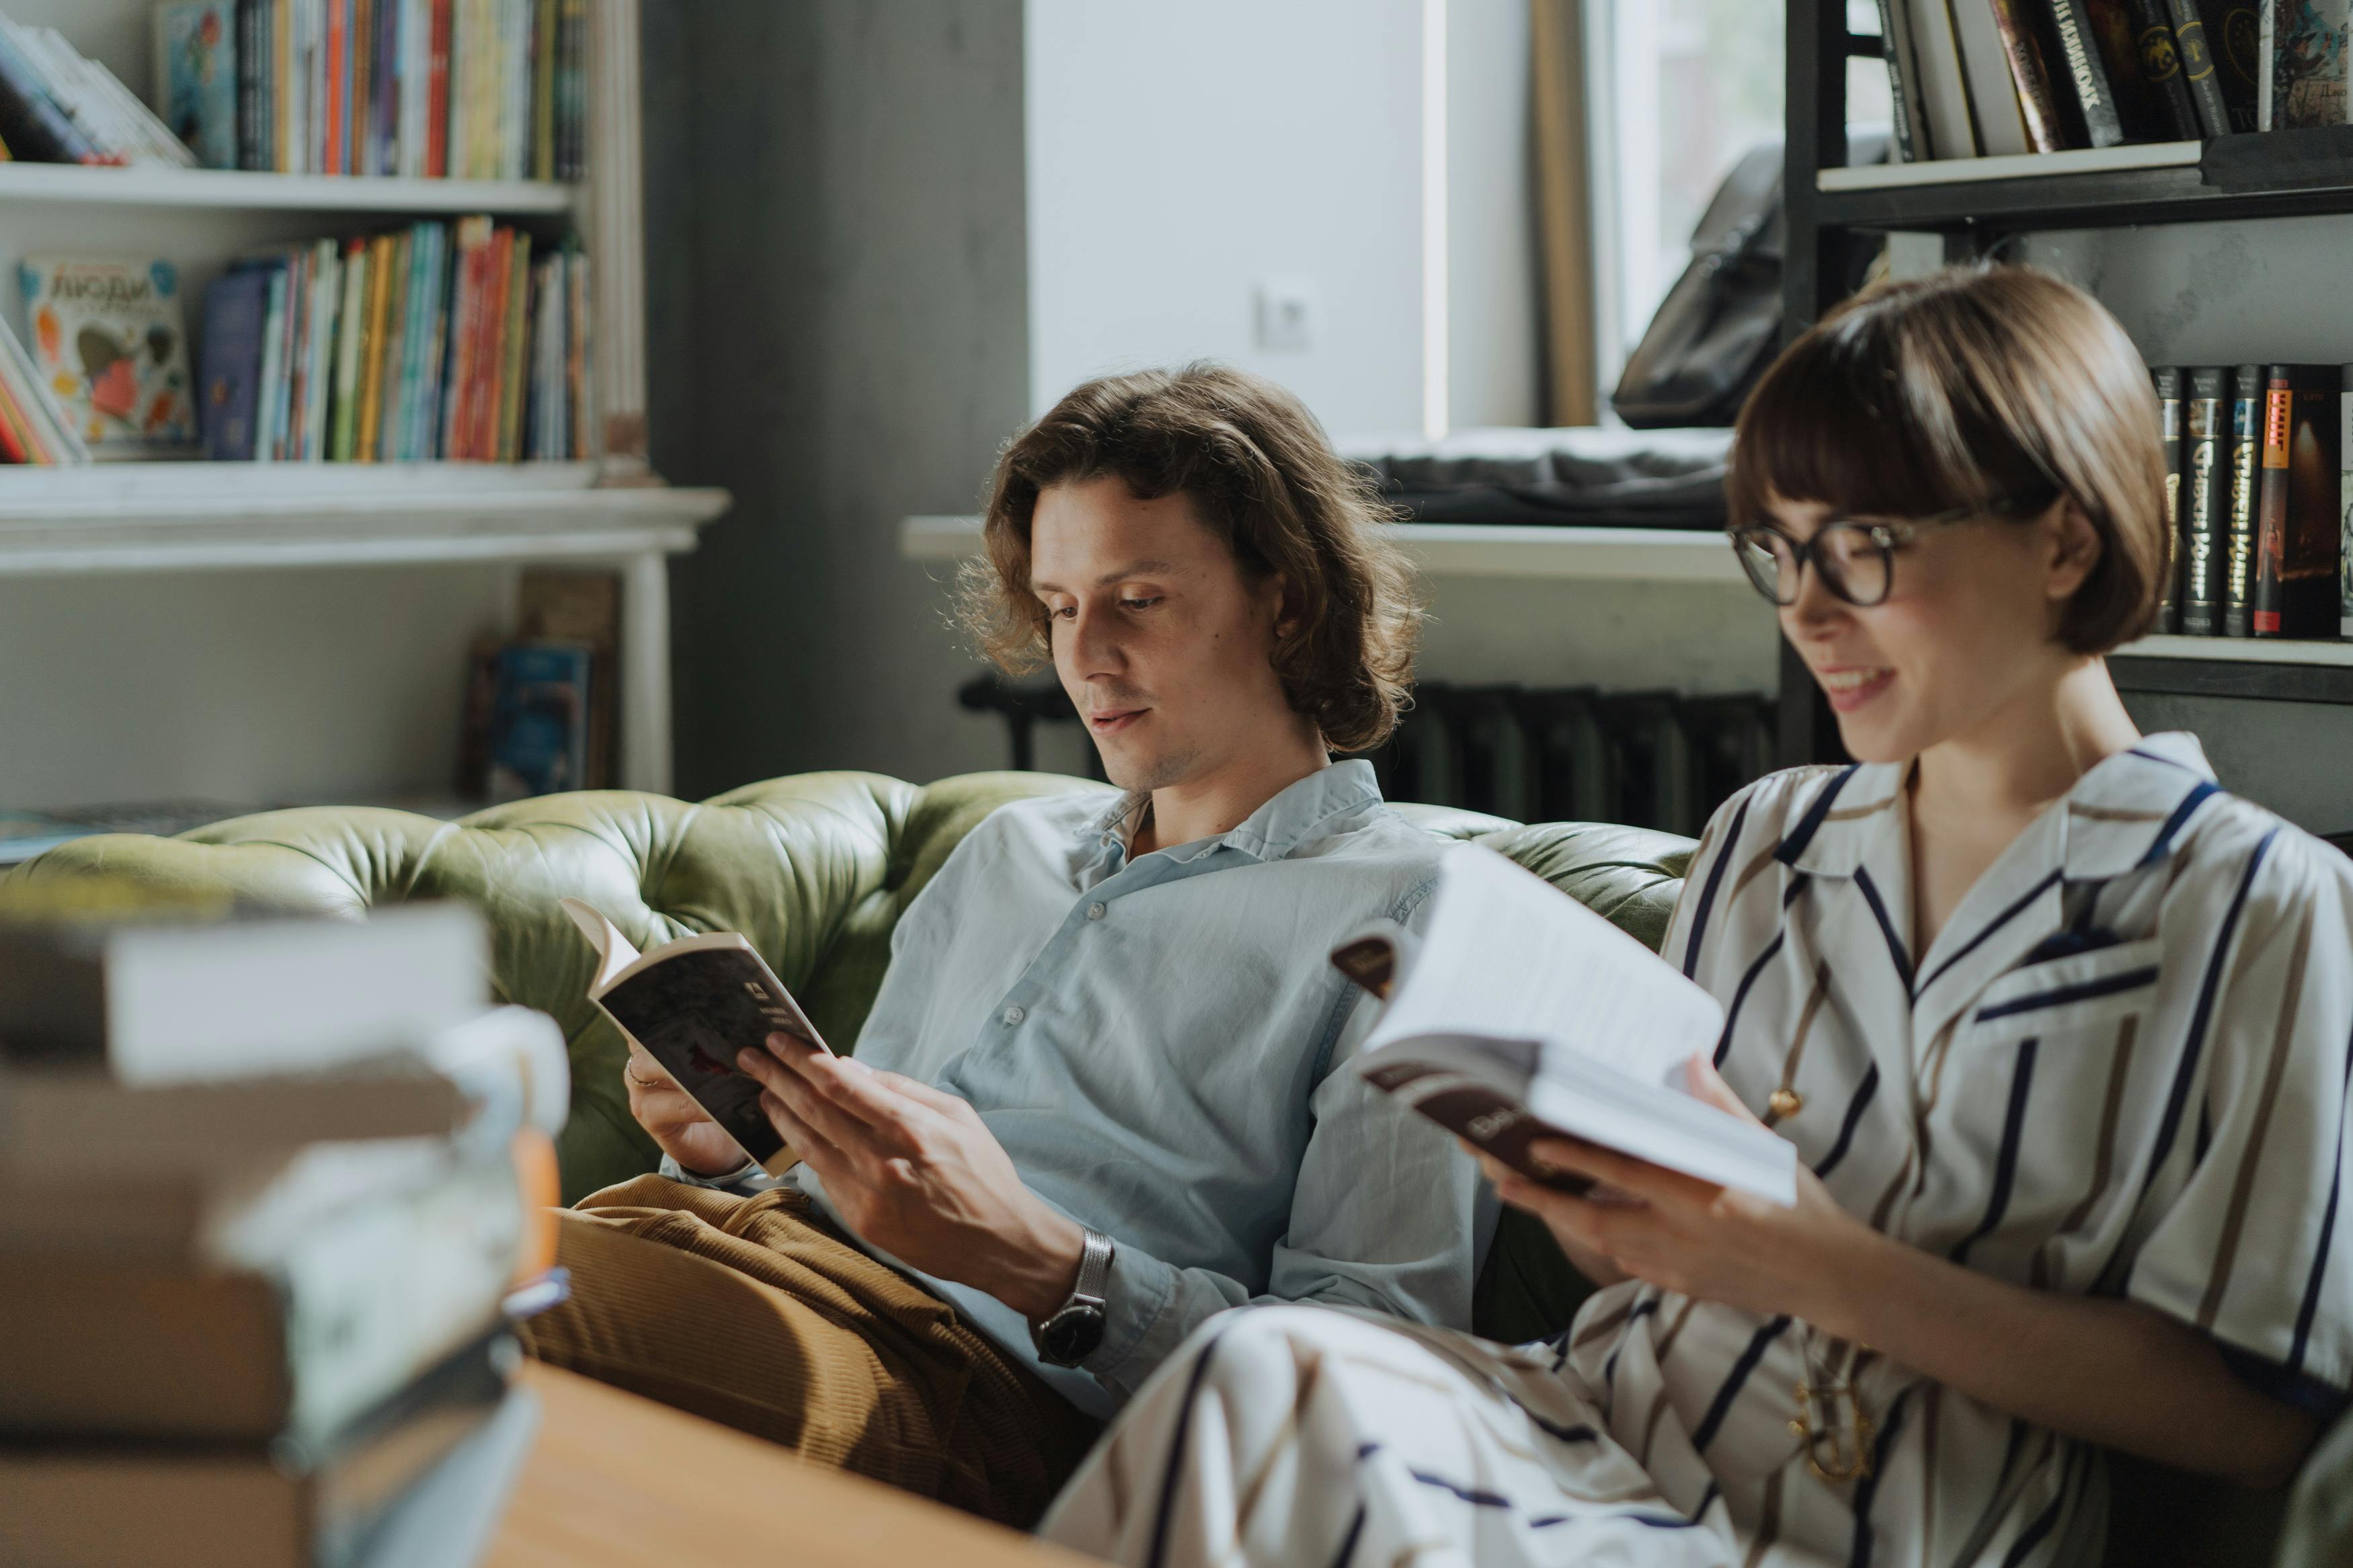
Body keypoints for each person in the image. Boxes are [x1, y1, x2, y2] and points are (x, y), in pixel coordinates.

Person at [1039, 265, 2353, 1567]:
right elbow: (1654, 1271)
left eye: (1865, 548)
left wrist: (1811, 1262)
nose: (1807, 613)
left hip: (1893, 1525)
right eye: (1779, 553)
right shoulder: (1771, 837)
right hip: (1599, 1424)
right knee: (1256, 1370)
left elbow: (2250, 1418)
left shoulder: (2249, 898)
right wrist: (1593, 1202)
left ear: (2062, 539)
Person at [520, 364, 1490, 1525]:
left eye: (1137, 599)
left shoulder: (1413, 911)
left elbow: (1369, 1377)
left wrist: (1042, 1257)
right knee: (320, 1274)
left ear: (1286, 602)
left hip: (961, 1384)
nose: (1085, 658)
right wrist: (726, 1144)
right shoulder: (1006, 849)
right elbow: (839, 1171)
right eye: (1063, 605)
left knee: (413, 1310)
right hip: (721, 1245)